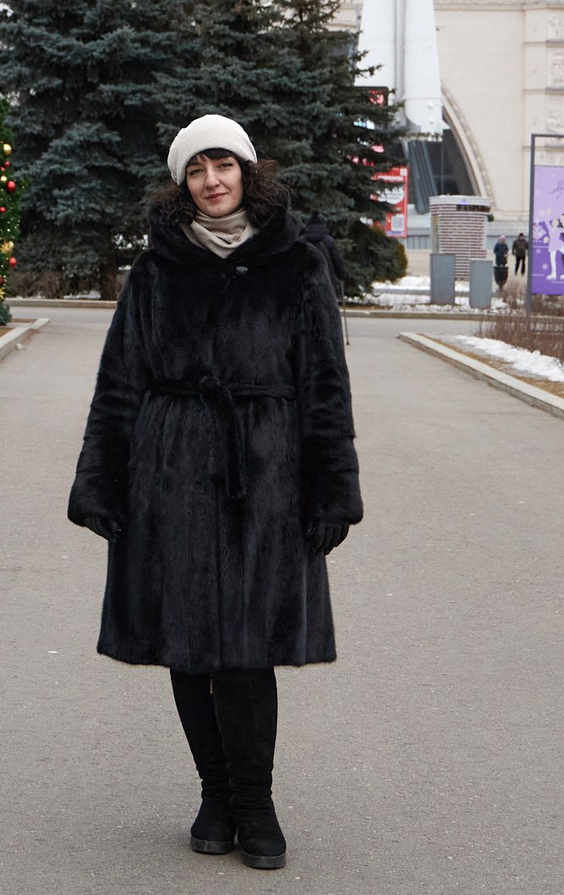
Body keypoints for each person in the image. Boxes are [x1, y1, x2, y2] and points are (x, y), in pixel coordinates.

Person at [68, 114, 362, 871]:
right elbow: (119, 380)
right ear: (183, 183)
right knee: (187, 643)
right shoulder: (156, 268)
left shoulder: (297, 263)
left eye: (223, 164)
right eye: (196, 169)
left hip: (266, 473)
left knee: (248, 648)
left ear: (247, 171)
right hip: (169, 469)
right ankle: (215, 793)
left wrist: (332, 488)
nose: (212, 180)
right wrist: (101, 480)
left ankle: (256, 802)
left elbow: (326, 384)